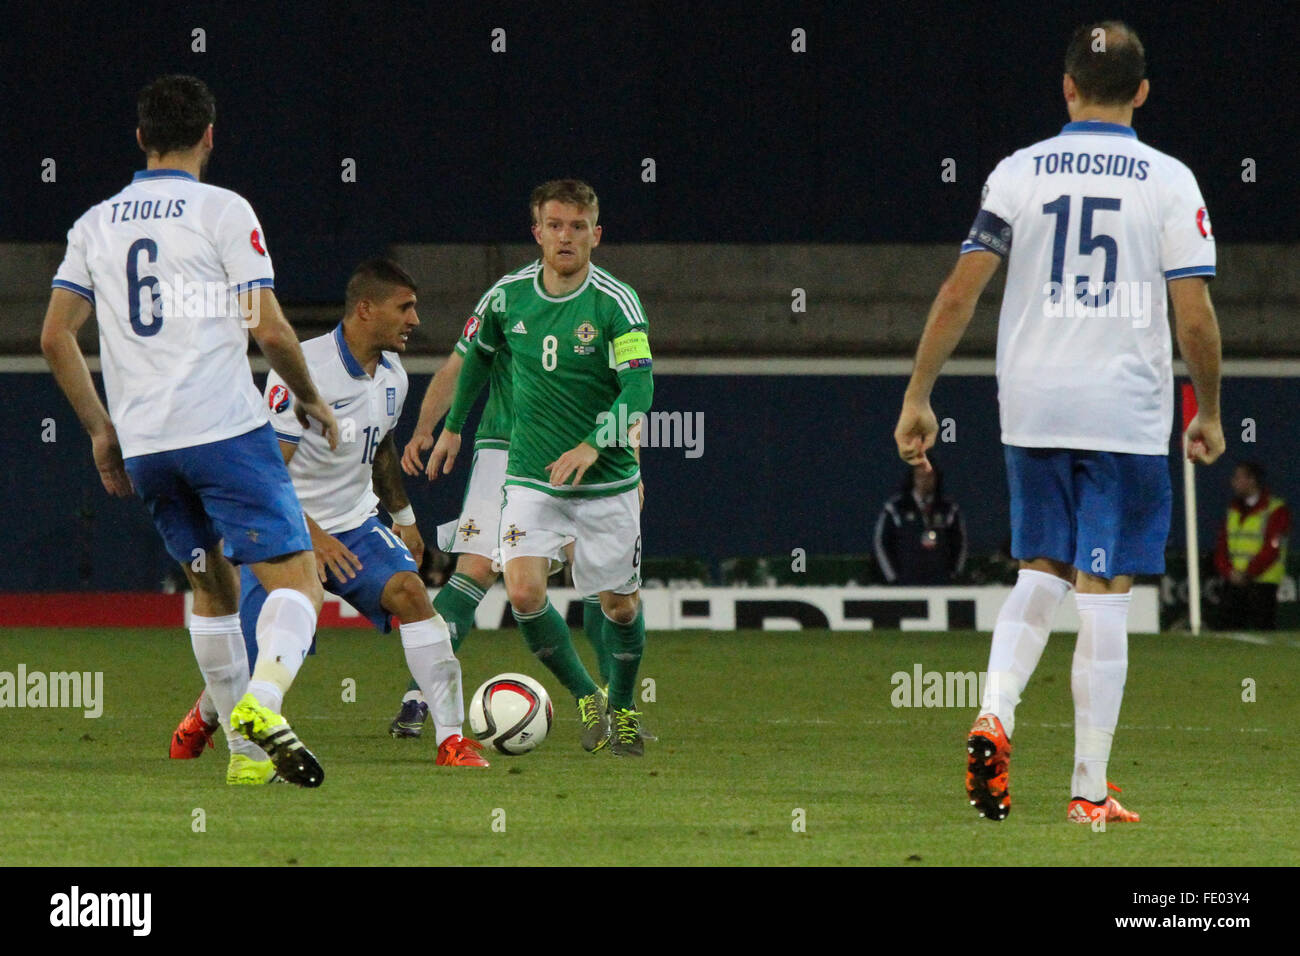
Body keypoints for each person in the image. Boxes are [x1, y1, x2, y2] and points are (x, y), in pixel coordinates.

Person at [893, 22, 1224, 825]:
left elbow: (957, 294)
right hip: (1123, 409)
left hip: (1034, 402)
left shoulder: (1019, 172)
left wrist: (918, 393)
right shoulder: (1171, 181)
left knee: (1038, 570)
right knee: (1105, 591)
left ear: (1067, 87)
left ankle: (995, 714)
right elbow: (1195, 317)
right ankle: (1087, 789)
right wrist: (1209, 408)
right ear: (1143, 92)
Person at [41, 75, 339, 788]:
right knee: (300, 585)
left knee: (210, 586)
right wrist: (310, 399)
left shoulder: (94, 223)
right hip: (224, 432)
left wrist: (99, 430)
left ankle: (243, 762)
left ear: (140, 138)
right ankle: (262, 706)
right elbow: (267, 326)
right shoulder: (223, 210)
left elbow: (55, 337)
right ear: (210, 136)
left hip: (146, 444)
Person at [170, 259, 489, 772]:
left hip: (357, 523)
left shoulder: (394, 376)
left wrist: (403, 514)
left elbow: (380, 448)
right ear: (366, 309)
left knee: (411, 594)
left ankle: (452, 740)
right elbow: (266, 472)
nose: (415, 319)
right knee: (261, 662)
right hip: (280, 526)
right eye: (404, 307)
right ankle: (206, 714)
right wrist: (312, 536)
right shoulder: (303, 370)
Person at [428, 179, 653, 755]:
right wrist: (453, 425)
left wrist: (593, 444)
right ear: (537, 233)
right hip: (530, 475)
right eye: (555, 225)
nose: (566, 236)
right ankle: (587, 698)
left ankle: (624, 708)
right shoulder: (507, 298)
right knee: (525, 593)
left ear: (596, 235)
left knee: (618, 604)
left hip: (605, 479)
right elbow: (477, 359)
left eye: (578, 226)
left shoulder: (615, 303)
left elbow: (639, 386)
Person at [1213, 461, 1290, 630]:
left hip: (1262, 583)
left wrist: (1248, 573)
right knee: (1227, 631)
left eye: (1238, 477)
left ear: (1252, 480)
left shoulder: (1275, 510)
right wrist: (1229, 572)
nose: (1233, 482)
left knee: (1263, 628)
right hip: (1233, 582)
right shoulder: (1232, 510)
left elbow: (1272, 549)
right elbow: (1221, 547)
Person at [874, 461, 967, 584]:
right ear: (912, 478)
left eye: (929, 476)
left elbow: (959, 543)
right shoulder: (896, 509)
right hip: (906, 585)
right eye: (920, 476)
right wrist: (893, 578)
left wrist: (953, 574)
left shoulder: (948, 509)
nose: (925, 480)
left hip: (941, 584)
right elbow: (882, 543)